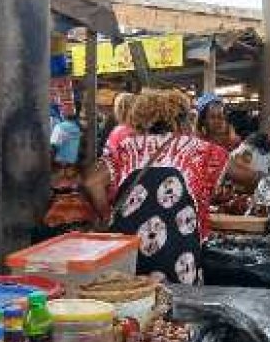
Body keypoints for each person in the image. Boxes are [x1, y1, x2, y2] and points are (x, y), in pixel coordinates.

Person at [82, 89, 229, 284]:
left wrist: (107, 215)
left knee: (131, 301)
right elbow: (243, 174)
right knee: (175, 307)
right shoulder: (200, 150)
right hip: (177, 253)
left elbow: (92, 183)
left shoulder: (126, 147)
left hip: (128, 250)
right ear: (181, 119)